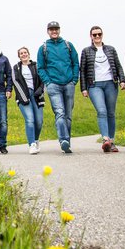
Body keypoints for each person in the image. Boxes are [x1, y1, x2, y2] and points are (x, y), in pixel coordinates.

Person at [79, 26, 125, 152]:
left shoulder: (111, 49)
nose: (97, 36)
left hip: (111, 83)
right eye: (94, 35)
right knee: (101, 111)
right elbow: (82, 71)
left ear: (102, 35)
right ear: (91, 37)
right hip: (95, 85)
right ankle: (105, 139)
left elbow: (118, 65)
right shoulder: (86, 51)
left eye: (99, 34)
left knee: (111, 112)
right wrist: (83, 88)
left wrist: (122, 80)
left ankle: (111, 141)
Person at [37, 21, 79, 153]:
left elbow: (75, 63)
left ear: (59, 30)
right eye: (51, 29)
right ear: (48, 31)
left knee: (68, 115)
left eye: (56, 29)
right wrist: (48, 82)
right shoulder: (43, 48)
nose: (54, 31)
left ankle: (68, 142)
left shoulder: (68, 45)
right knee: (59, 113)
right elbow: (40, 68)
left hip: (69, 84)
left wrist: (74, 80)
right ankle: (63, 140)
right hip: (53, 85)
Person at [12, 47, 45, 154]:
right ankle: (32, 145)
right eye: (21, 53)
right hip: (23, 96)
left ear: (29, 54)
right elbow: (15, 82)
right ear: (19, 56)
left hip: (36, 96)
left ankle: (36, 140)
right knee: (30, 119)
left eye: (25, 52)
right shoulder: (16, 68)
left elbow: (43, 80)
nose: (23, 54)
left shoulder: (36, 66)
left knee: (39, 121)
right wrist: (24, 98)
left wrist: (39, 92)